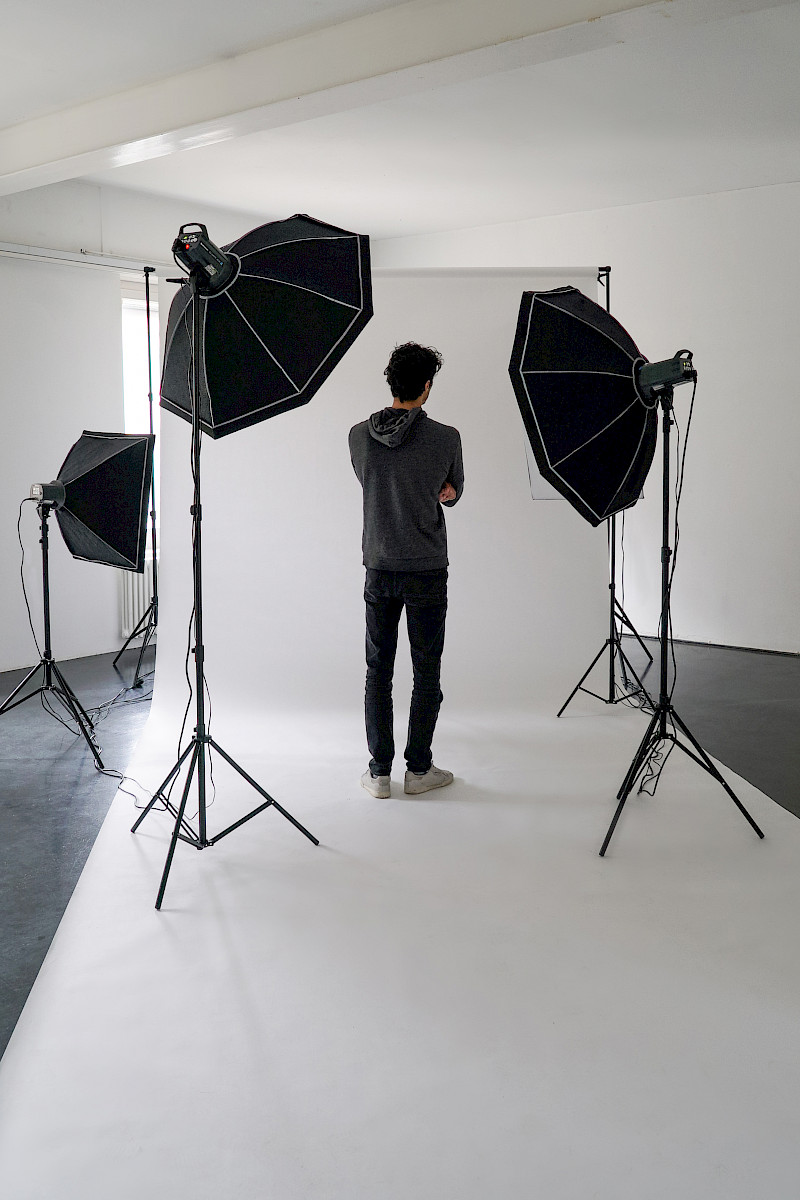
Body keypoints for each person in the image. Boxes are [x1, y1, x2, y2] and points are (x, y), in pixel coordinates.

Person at [349, 342, 464, 799]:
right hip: (427, 568)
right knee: (426, 671)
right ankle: (418, 770)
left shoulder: (358, 436)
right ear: (427, 386)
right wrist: (441, 490)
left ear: (391, 383)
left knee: (377, 671)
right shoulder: (446, 437)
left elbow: (372, 480)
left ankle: (379, 773)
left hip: (379, 565)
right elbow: (452, 491)